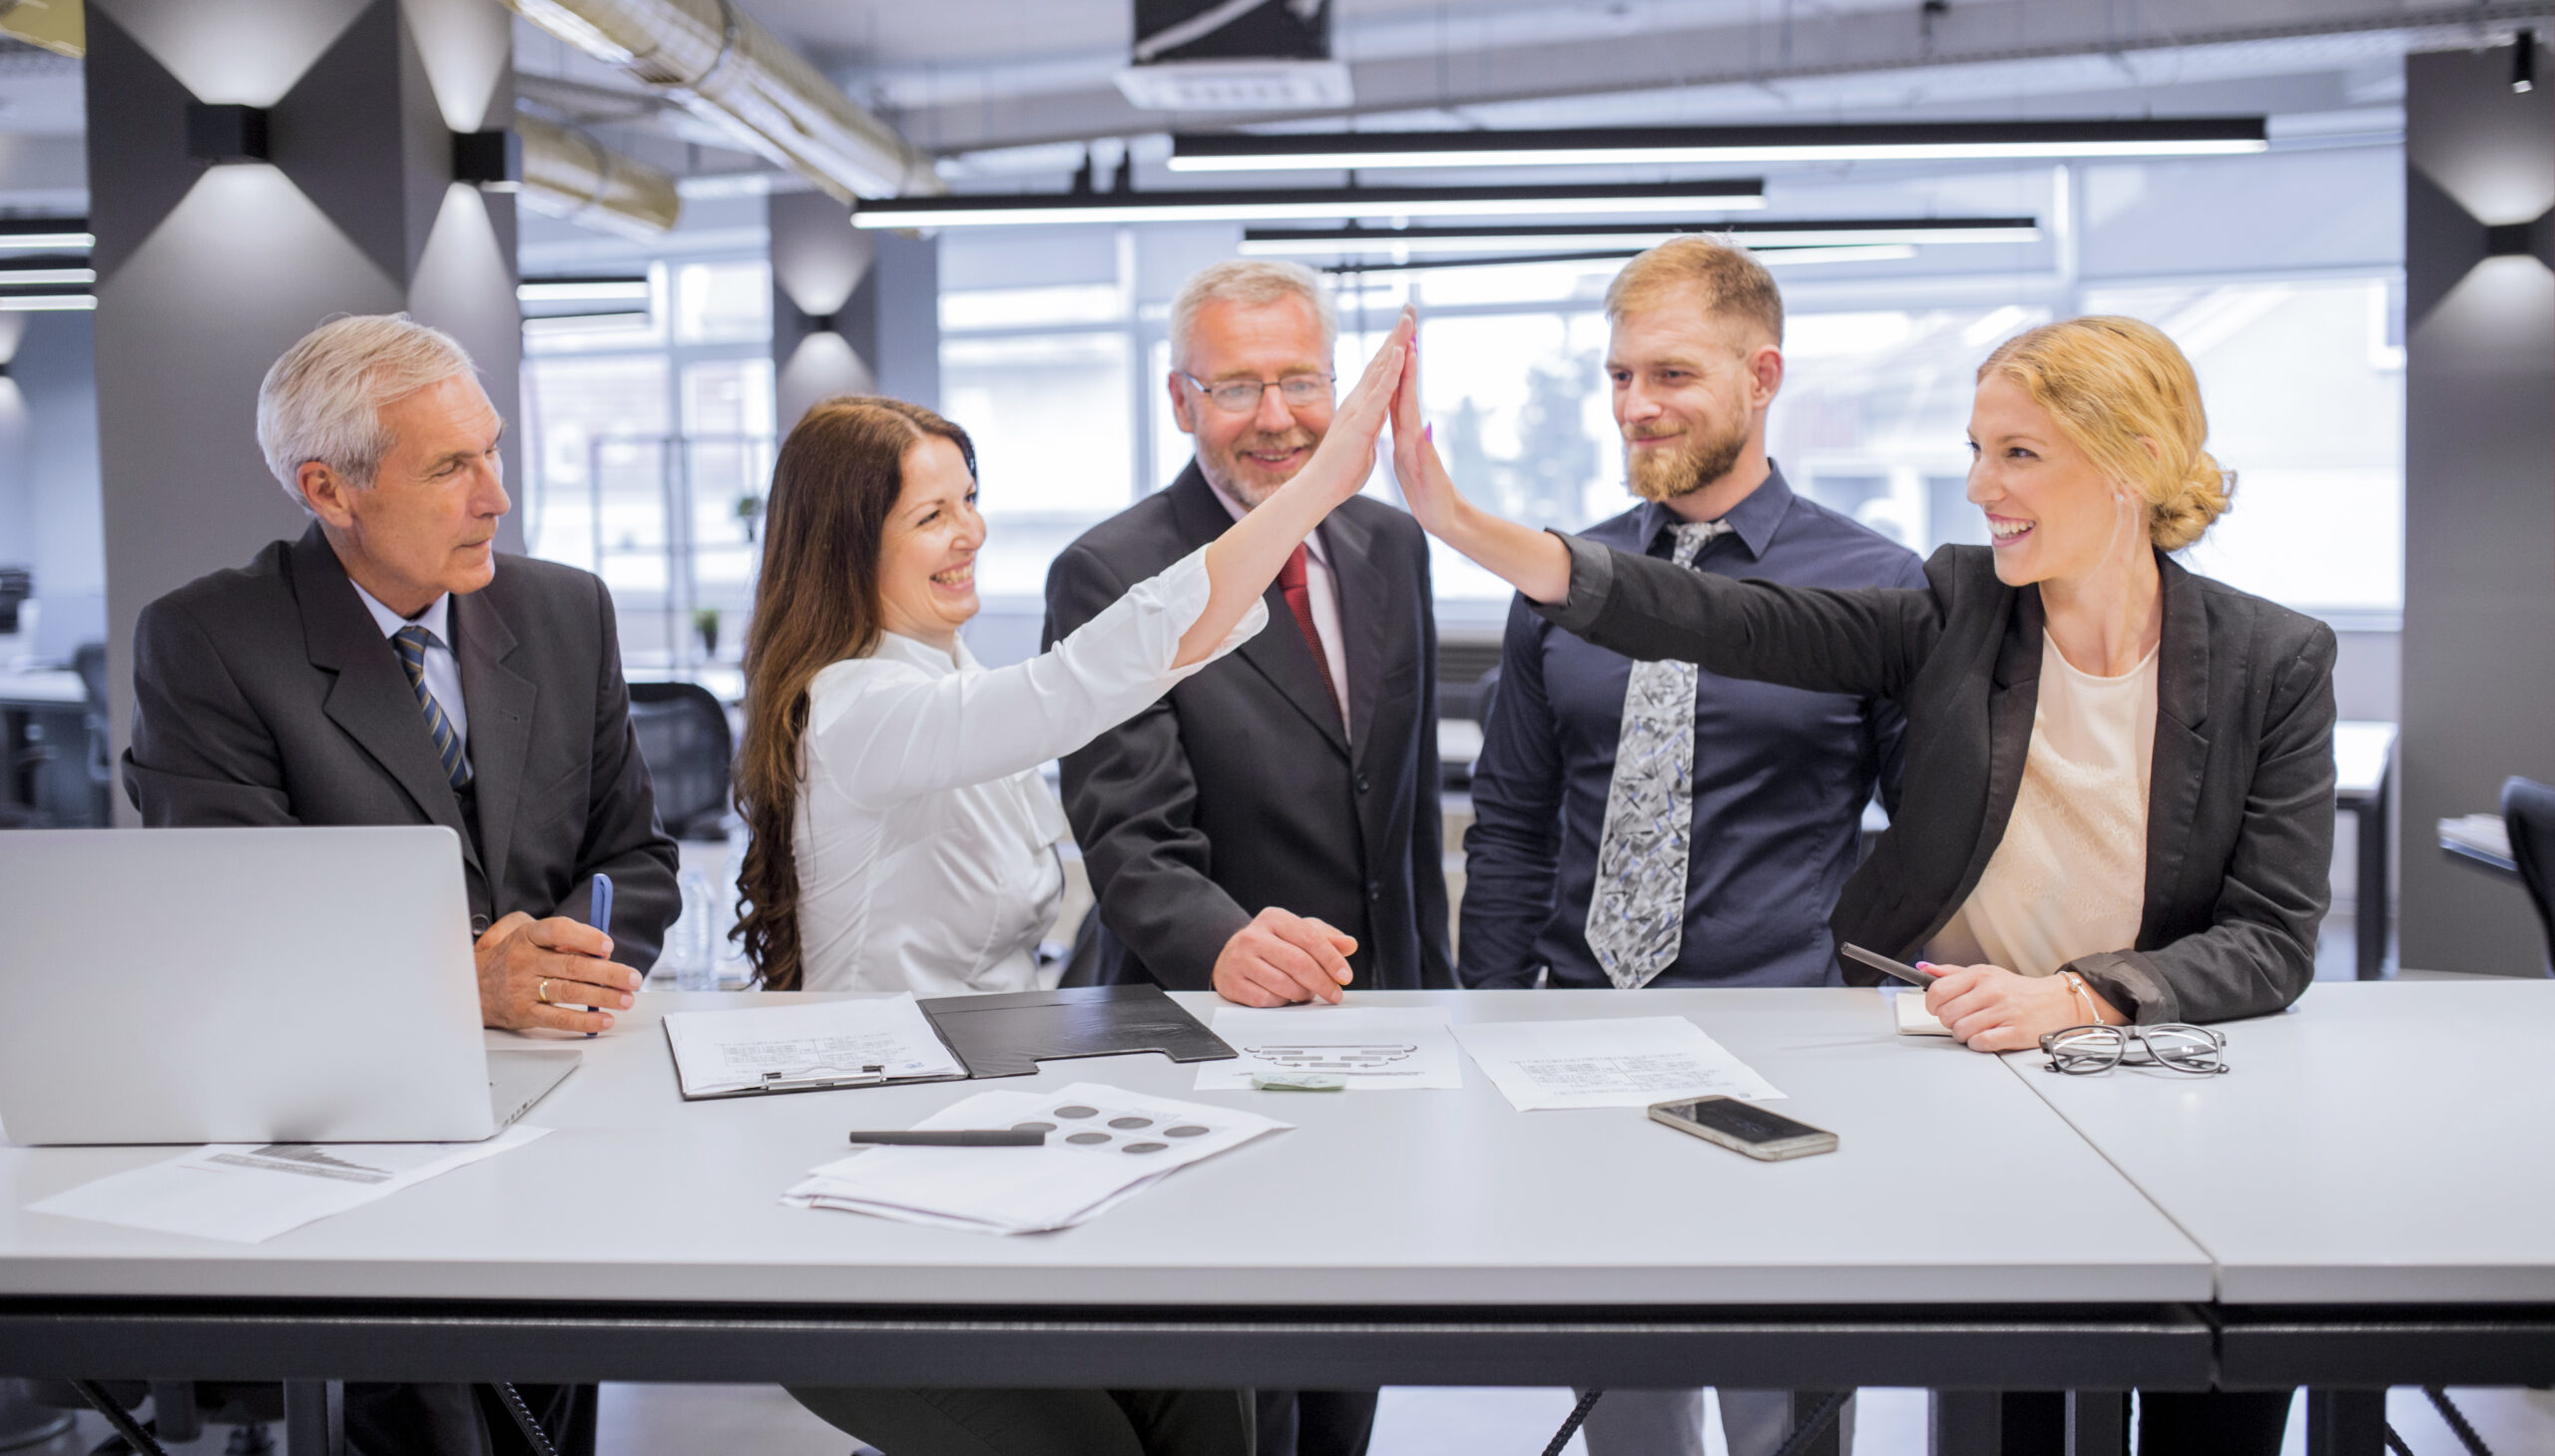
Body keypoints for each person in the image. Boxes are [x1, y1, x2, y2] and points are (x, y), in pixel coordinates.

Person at [1395, 310, 2330, 1454]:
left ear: (2132, 461)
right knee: (2006, 1421)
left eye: (2018, 453)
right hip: (1979, 1093)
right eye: (1976, 451)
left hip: (2168, 1092)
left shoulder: (2271, 659)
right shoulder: (1954, 613)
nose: (1982, 486)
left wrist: (2083, 994)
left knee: (2204, 1412)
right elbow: (1720, 617)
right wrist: (1463, 525)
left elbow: (2273, 935)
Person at [743, 314, 1411, 1456]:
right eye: (931, 514)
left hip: (992, 1151)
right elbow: (1082, 685)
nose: (970, 534)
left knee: (1211, 1398)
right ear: (850, 543)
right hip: (875, 1196)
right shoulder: (854, 708)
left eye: (970, 499)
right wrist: (1311, 493)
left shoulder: (948, 672)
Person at [124, 314, 681, 1456]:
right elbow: (232, 925)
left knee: (551, 1400)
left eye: (493, 452)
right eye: (452, 468)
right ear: (330, 490)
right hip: (350, 1127)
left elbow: (638, 859)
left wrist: (558, 968)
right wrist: (460, 982)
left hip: (570, 1101)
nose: (497, 497)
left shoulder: (566, 611)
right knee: (424, 1420)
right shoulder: (209, 641)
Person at [1457, 236, 1921, 1456]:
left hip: (1781, 1035)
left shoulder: (1873, 587)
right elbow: (1508, 817)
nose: (1636, 406)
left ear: (1761, 376)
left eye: (1670, 374)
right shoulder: (1566, 577)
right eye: (1617, 376)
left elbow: (1931, 834)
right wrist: (1489, 1014)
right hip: (1576, 1033)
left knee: (1782, 1391)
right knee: (1621, 1389)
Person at [1045, 259, 1454, 1456]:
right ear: (1179, 401)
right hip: (1199, 1037)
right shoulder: (1113, 571)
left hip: (1375, 1030)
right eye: (1236, 388)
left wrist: (1442, 1000)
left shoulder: (1387, 545)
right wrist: (1222, 936)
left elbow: (1403, 804)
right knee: (1233, 1392)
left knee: (1347, 1367)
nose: (1274, 418)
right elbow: (1124, 827)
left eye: (1298, 381)